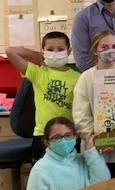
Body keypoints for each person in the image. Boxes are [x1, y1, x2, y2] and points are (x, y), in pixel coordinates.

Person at [72, 29, 115, 177]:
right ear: (95, 50)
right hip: (95, 152)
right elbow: (80, 116)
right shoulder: (86, 78)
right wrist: (99, 139)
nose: (111, 50)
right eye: (104, 47)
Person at [6, 31, 80, 160]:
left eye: (60, 49)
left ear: (69, 51)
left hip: (68, 137)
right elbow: (11, 52)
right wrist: (36, 55)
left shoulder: (78, 78)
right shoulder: (38, 73)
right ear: (44, 52)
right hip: (43, 136)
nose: (55, 53)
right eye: (50, 49)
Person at [26, 117, 111, 189]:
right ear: (48, 143)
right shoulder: (40, 169)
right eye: (56, 137)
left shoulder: (84, 160)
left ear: (75, 137)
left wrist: (91, 152)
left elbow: (104, 184)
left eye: (68, 135)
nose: (63, 141)